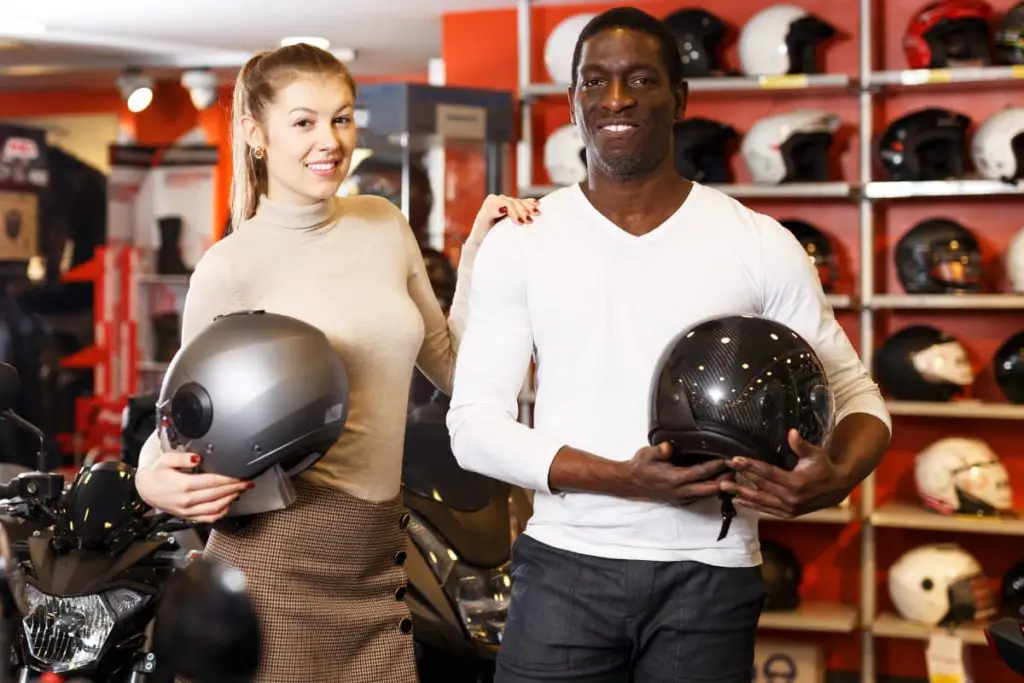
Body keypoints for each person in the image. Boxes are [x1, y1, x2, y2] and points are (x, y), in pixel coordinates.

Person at [446, 7, 892, 683]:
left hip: (710, 574)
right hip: (566, 564)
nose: (615, 98)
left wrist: (834, 478)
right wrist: (621, 478)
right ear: (573, 102)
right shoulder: (525, 240)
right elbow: (473, 427)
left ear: (679, 97)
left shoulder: (757, 241)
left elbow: (859, 395)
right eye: (594, 82)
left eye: (640, 80)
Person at [132, 42, 539, 683]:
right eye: (304, 122)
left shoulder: (383, 224)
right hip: (272, 564)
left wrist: (479, 257)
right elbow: (177, 424)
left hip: (379, 563)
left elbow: (453, 368)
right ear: (254, 133)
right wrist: (147, 479)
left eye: (342, 118)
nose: (330, 140)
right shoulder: (230, 268)